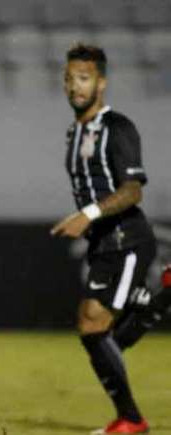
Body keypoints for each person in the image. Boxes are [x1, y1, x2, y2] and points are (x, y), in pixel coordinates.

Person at [51, 43, 171, 434]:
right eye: (69, 79)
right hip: (105, 244)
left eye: (83, 78)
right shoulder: (75, 131)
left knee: (92, 327)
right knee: (103, 337)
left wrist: (87, 215)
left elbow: (133, 190)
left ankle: (131, 419)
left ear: (101, 83)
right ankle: (159, 301)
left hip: (128, 240)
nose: (74, 87)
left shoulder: (117, 127)